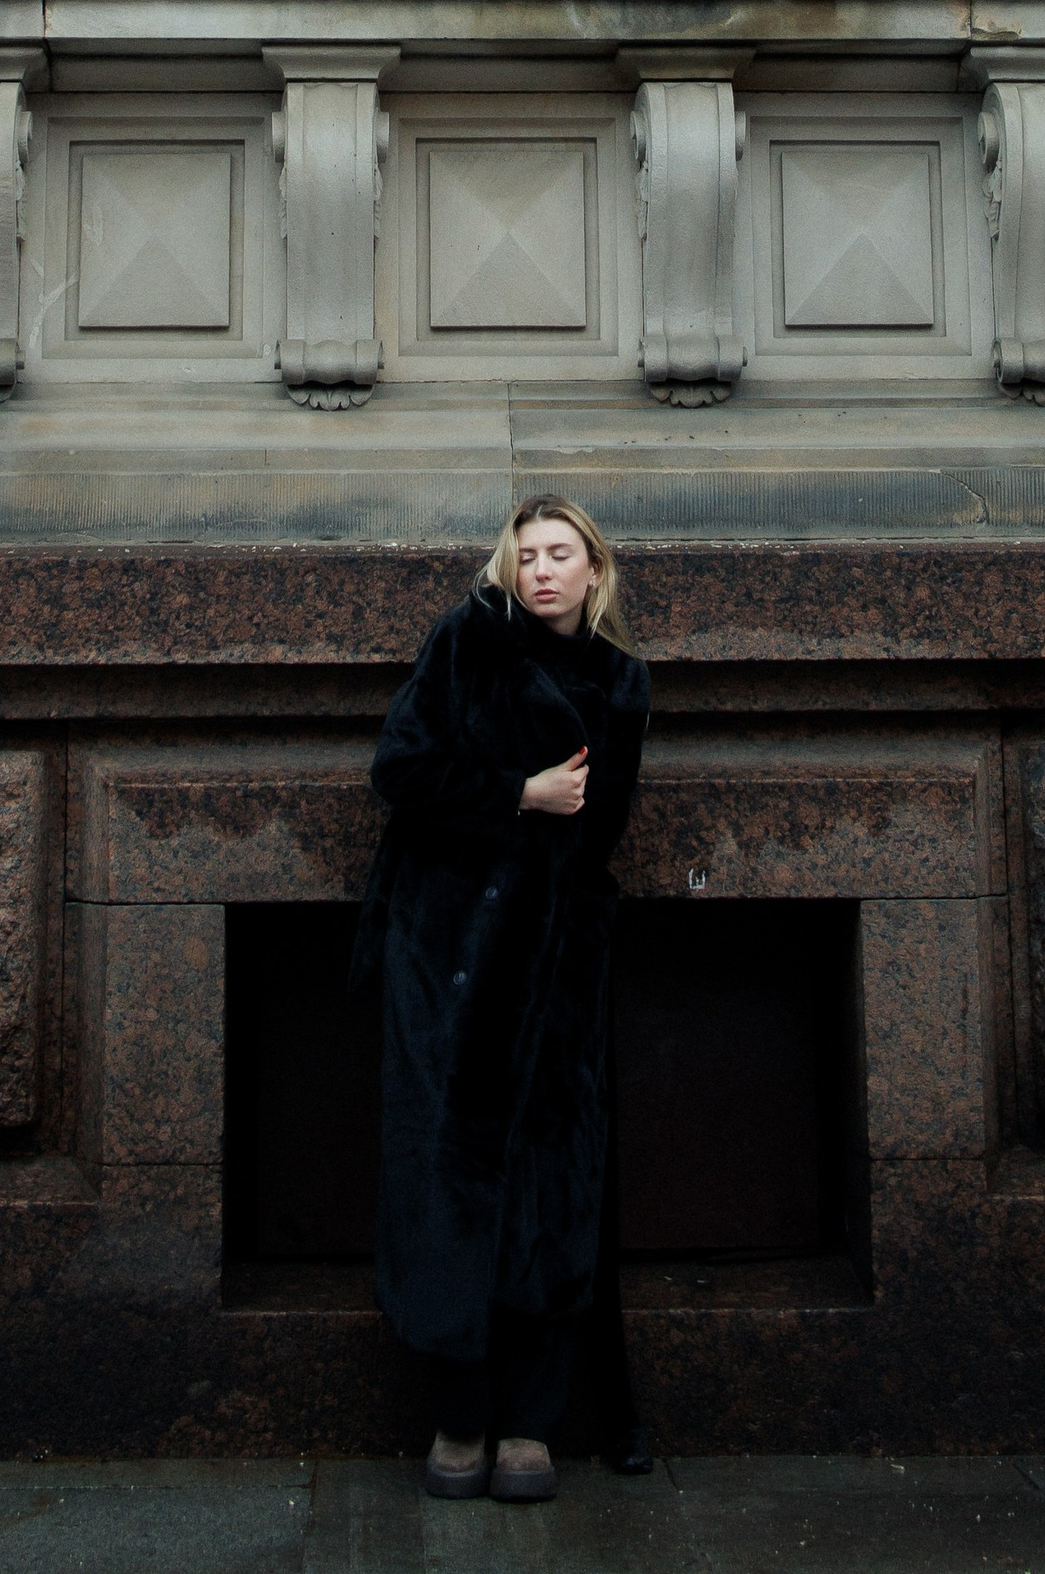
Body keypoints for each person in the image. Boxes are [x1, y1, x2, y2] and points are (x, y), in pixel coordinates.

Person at [352, 495, 652, 1504]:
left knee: (549, 1188)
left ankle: (532, 1421)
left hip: (555, 968)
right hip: (449, 960)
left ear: (595, 569)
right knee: (448, 1182)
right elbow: (399, 766)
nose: (542, 571)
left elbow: (599, 832)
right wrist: (515, 794)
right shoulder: (467, 641)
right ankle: (460, 1413)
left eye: (561, 553)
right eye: (526, 555)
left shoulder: (620, 684)